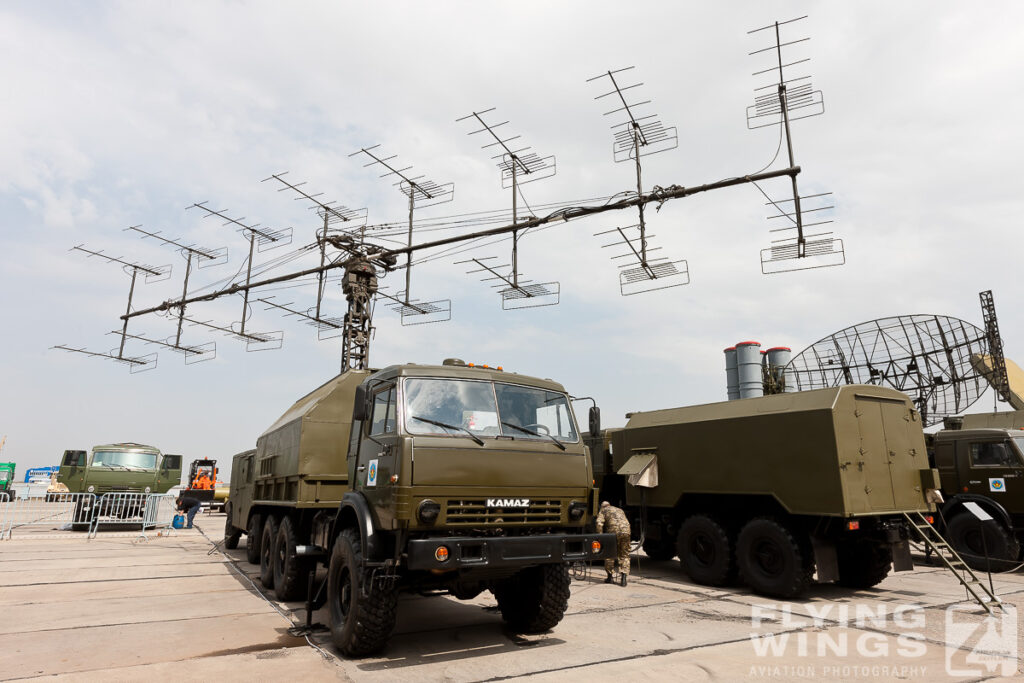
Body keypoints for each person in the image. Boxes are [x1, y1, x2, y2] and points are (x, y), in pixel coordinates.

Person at [595, 501, 632, 586]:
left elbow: (599, 523)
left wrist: (600, 536)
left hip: (613, 533)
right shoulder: (619, 510)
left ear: (602, 506)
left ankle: (610, 576)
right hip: (626, 532)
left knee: (609, 554)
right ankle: (624, 578)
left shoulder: (603, 510)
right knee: (625, 554)